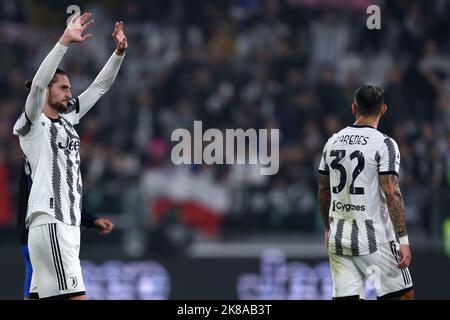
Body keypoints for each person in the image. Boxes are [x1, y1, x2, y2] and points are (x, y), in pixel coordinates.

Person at [12, 12, 127, 299]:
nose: (69, 93)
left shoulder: (68, 119)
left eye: (70, 89)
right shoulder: (32, 125)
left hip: (67, 226)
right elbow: (37, 85)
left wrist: (119, 53)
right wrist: (63, 41)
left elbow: (99, 88)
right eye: (63, 88)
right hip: (51, 222)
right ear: (47, 91)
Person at [317, 84, 414, 300]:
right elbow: (392, 192)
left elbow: (323, 189)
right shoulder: (384, 144)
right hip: (375, 238)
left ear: (353, 108)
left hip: (339, 237)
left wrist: (327, 227)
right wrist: (403, 240)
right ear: (383, 109)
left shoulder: (332, 142)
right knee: (404, 296)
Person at [17, 160, 114, 300]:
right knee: (75, 295)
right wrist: (90, 220)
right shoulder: (47, 156)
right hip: (50, 231)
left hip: (30, 234)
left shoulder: (33, 157)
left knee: (34, 293)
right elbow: (58, 201)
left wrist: (91, 220)